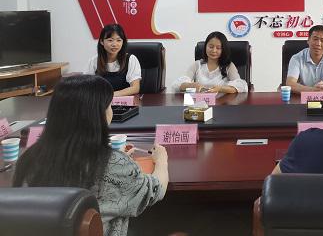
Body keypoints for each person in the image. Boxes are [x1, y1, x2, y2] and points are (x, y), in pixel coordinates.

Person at [13, 75, 168, 236]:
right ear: (98, 115)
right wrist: (161, 159)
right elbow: (155, 190)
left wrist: (117, 161)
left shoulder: (28, 159)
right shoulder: (112, 165)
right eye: (109, 106)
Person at [171, 31, 247, 93]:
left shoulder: (228, 65)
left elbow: (241, 86)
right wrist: (191, 85)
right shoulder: (197, 65)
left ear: (223, 50)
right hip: (200, 103)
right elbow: (176, 85)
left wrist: (220, 89)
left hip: (221, 103)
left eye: (218, 48)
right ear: (205, 47)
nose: (214, 50)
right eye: (211, 47)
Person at [86, 24, 141, 96]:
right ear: (102, 41)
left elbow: (135, 88)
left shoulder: (130, 59)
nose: (114, 44)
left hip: (124, 101)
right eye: (110, 40)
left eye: (118, 40)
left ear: (123, 42)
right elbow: (87, 86)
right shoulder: (94, 61)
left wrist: (111, 95)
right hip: (101, 101)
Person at [286, 25, 323, 93]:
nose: (318, 44)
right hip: (304, 96)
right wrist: (312, 90)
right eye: (315, 39)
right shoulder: (296, 58)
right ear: (308, 40)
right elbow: (290, 83)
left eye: (322, 40)